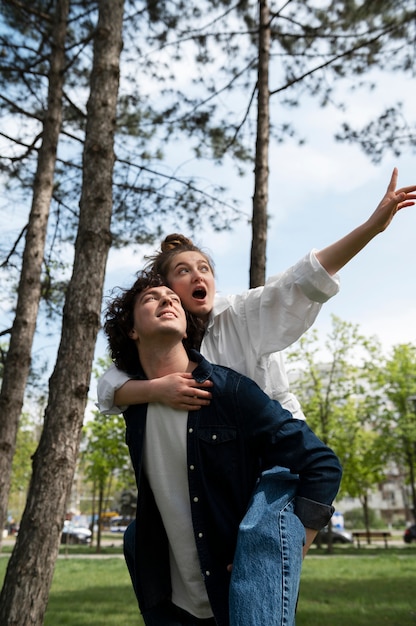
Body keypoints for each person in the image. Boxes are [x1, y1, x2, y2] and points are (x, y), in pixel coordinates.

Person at [102, 273, 343, 626]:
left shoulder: (229, 392)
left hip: (238, 596)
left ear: (186, 329)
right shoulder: (136, 409)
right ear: (133, 330)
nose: (168, 300)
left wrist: (288, 551)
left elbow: (322, 464)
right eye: (151, 298)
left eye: (173, 297)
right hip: (169, 603)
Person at [97, 168, 416, 419]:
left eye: (205, 268)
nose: (198, 275)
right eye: (184, 271)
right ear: (166, 288)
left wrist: (371, 228)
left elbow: (304, 278)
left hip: (281, 453)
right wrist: (155, 390)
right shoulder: (164, 338)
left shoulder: (241, 312)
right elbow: (110, 387)